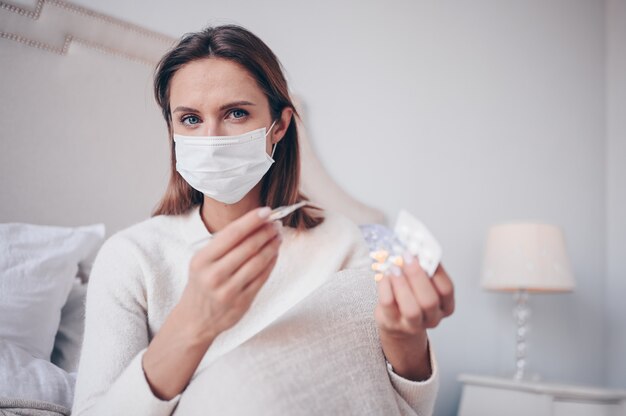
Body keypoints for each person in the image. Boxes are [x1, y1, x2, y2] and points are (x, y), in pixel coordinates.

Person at [72, 25, 455, 416]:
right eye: (190, 119)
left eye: (236, 113)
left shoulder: (340, 240)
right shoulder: (131, 258)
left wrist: (403, 335)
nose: (212, 138)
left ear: (280, 126)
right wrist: (192, 325)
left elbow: (399, 407)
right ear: (171, 128)